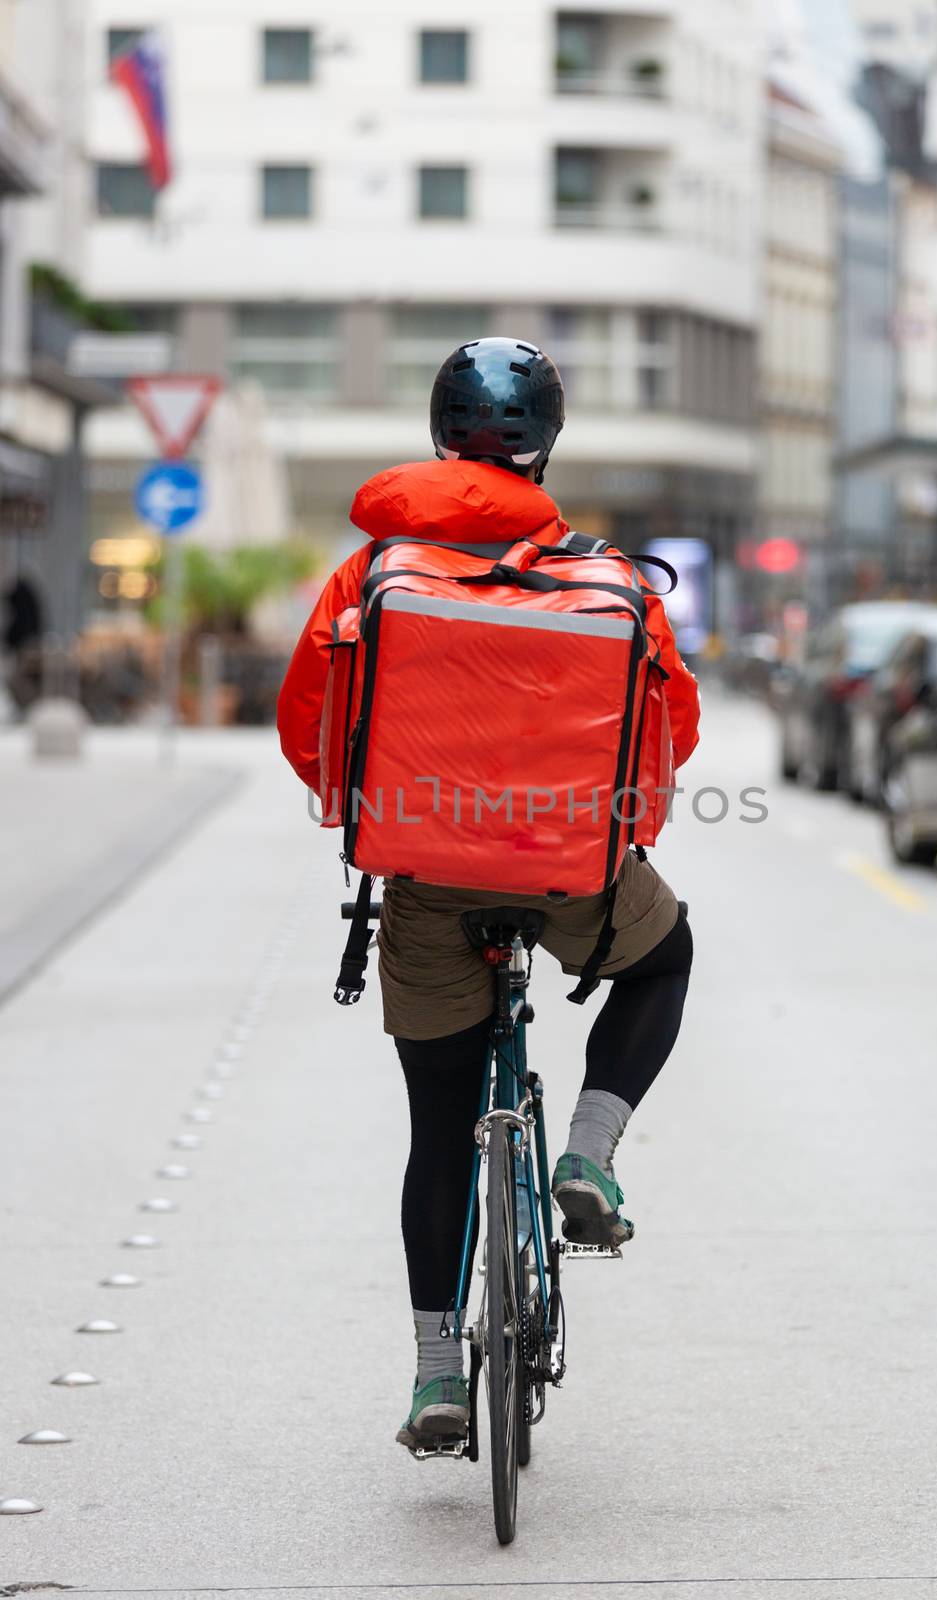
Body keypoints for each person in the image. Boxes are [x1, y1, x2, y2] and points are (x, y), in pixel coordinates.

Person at [277, 338, 700, 1450]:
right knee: (665, 956)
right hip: (572, 870)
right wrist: (623, 836)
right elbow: (670, 728)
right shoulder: (604, 577)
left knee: (436, 1130)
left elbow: (307, 722)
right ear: (542, 446)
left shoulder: (371, 572)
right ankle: (585, 1153)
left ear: (436, 435)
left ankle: (433, 1377)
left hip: (422, 876)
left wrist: (368, 813)